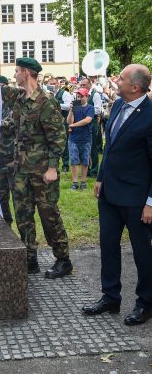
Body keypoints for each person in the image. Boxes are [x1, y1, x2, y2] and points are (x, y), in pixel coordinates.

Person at [83, 64, 152, 325]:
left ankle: (146, 303)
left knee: (142, 253)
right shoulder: (120, 106)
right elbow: (110, 147)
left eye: (120, 78)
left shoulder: (149, 114)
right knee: (108, 246)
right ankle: (110, 296)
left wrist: (150, 203)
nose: (115, 81)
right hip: (110, 195)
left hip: (137, 200)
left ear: (135, 87)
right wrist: (100, 178)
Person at [12, 57, 73, 278]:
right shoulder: (20, 99)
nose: (15, 74)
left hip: (42, 170)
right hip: (21, 169)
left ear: (26, 73)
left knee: (49, 214)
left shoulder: (46, 102)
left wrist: (52, 168)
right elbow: (14, 124)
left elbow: (58, 137)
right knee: (23, 215)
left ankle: (63, 259)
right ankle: (30, 259)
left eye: (17, 71)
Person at [0, 75, 19, 225]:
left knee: (17, 193)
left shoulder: (14, 105)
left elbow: (10, 123)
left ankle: (20, 223)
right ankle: (5, 224)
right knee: (1, 194)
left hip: (12, 157)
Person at [67, 87, 95, 191]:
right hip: (74, 138)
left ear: (87, 96)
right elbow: (69, 122)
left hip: (86, 138)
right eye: (78, 96)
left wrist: (73, 125)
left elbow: (88, 120)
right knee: (74, 161)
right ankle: (74, 183)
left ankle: (83, 182)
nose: (79, 97)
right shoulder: (75, 107)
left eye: (81, 96)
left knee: (85, 161)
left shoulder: (90, 108)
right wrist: (71, 111)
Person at [79, 77, 103, 177]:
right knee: (84, 148)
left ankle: (94, 170)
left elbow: (98, 109)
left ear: (89, 85)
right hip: (83, 123)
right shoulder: (80, 95)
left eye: (84, 85)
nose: (82, 86)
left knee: (93, 148)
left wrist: (87, 110)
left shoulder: (95, 94)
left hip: (92, 124)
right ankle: (87, 169)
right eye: (81, 85)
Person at [52, 77, 73, 172]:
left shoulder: (64, 93)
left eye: (53, 83)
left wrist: (57, 105)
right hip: (52, 122)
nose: (52, 85)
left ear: (58, 84)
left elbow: (69, 106)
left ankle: (65, 164)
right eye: (50, 83)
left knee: (64, 143)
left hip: (63, 121)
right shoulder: (49, 94)